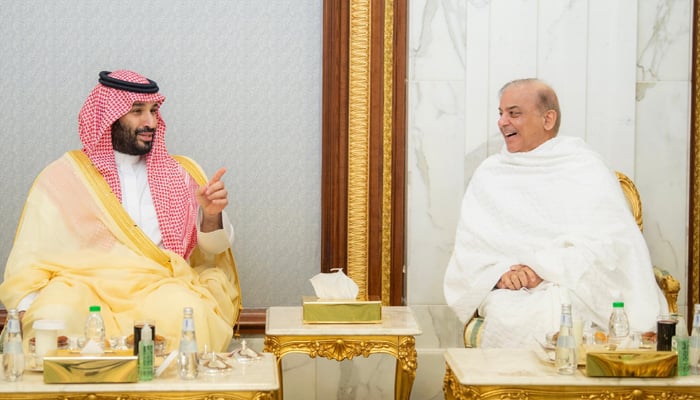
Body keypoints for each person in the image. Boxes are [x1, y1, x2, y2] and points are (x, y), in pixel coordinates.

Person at [0, 70, 241, 353]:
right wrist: (29, 306)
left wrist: (211, 215)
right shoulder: (64, 176)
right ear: (108, 116)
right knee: (53, 315)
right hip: (81, 286)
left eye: (153, 111)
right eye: (137, 112)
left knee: (185, 312)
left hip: (157, 287)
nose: (149, 122)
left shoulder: (181, 173)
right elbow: (31, 255)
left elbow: (212, 251)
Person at [443, 78, 667, 348]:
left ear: (548, 119)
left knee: (569, 313)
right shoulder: (490, 174)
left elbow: (612, 244)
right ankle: (511, 391)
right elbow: (472, 250)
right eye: (500, 114)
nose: (503, 122)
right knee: (510, 315)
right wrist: (500, 274)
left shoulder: (585, 166)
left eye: (514, 113)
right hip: (513, 292)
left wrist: (541, 268)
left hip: (578, 285)